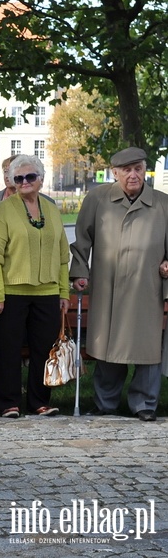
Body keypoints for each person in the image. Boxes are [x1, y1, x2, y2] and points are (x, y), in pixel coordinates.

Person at [71, 147, 168, 421]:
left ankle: (145, 404)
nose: (133, 175)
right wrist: (80, 272)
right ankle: (106, 403)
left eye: (138, 168)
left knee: (147, 348)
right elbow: (81, 240)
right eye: (126, 170)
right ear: (115, 173)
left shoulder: (163, 204)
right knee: (107, 345)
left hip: (146, 287)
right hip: (107, 284)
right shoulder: (98, 198)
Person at [0, 154, 69, 418]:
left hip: (48, 292)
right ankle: (9, 403)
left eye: (30, 176)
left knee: (44, 350)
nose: (24, 182)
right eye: (18, 178)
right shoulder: (4, 210)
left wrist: (63, 292)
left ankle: (39, 401)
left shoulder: (51, 209)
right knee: (8, 350)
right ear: (12, 182)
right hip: (11, 293)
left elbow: (63, 257)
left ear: (40, 179)